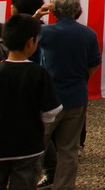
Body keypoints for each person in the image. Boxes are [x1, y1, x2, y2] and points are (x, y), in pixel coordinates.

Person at [37, 0, 102, 190]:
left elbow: (23, 32)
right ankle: (64, 187)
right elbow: (94, 64)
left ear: (55, 9)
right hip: (76, 95)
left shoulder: (46, 32)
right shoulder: (88, 34)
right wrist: (82, 80)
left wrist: (38, 14)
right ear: (77, 9)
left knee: (38, 145)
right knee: (69, 149)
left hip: (49, 98)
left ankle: (29, 180)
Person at [0, 14, 62, 190]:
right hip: (28, 147)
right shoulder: (38, 73)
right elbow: (52, 110)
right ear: (31, 42)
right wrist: (42, 125)